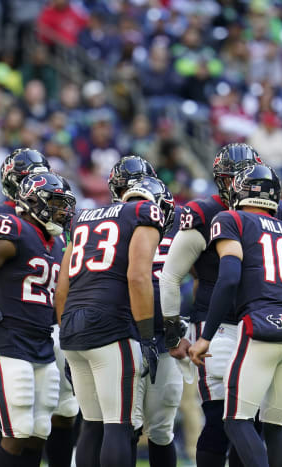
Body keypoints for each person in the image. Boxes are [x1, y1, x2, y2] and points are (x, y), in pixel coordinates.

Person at [188, 164, 282, 467]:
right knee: (275, 427)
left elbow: (228, 279)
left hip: (259, 329)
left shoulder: (231, 219)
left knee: (236, 421)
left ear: (238, 191)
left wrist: (206, 337)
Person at [56, 176, 173, 467]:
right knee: (118, 425)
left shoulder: (83, 217)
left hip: (72, 326)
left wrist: (65, 330)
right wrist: (146, 336)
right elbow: (137, 276)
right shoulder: (144, 212)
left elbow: (62, 286)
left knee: (92, 425)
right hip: (111, 325)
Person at [0, 172, 76, 466]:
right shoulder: (15, 227)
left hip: (41, 342)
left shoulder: (57, 242)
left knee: (40, 428)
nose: (62, 210)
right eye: (55, 203)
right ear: (33, 201)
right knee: (18, 429)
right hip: (9, 341)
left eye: (64, 204)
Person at [159, 143, 262, 467]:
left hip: (257, 327)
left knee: (251, 421)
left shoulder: (269, 212)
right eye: (234, 178)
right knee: (220, 421)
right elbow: (173, 274)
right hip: (215, 328)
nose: (239, 185)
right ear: (221, 180)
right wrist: (174, 333)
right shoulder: (203, 213)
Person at [108, 156, 182, 467]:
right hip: (123, 332)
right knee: (119, 424)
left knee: (159, 430)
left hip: (162, 336)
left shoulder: (179, 227)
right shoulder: (110, 225)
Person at [0, 148, 51, 226]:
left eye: (43, 180)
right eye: (31, 181)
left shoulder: (54, 216)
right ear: (10, 183)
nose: (39, 187)